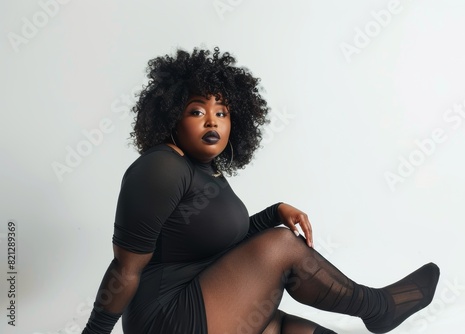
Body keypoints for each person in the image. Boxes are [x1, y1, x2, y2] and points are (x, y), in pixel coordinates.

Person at [82, 47, 440, 334]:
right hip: (167, 317)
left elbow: (222, 245)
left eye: (222, 112)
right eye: (196, 111)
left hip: (214, 302)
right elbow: (125, 268)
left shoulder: (205, 171)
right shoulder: (161, 167)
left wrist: (274, 211)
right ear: (171, 116)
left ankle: (377, 310)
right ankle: (378, 309)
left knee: (294, 327)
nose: (212, 121)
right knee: (281, 244)